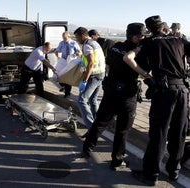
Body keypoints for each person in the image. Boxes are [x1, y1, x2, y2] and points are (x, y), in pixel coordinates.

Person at [124, 15, 190, 186]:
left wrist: (146, 75)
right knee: (179, 133)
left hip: (164, 92)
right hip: (183, 90)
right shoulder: (179, 39)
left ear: (149, 29)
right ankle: (173, 171)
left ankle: (151, 175)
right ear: (163, 26)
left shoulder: (150, 43)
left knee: (159, 134)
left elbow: (133, 61)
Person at [81, 23, 146, 171]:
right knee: (122, 129)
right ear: (135, 37)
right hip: (127, 94)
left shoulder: (115, 47)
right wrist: (147, 75)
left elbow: (108, 66)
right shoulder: (138, 50)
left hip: (111, 89)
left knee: (101, 122)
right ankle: (117, 161)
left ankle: (87, 148)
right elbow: (141, 69)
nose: (144, 39)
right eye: (142, 36)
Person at [74, 27, 105, 138]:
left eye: (77, 37)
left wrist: (85, 80)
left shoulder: (87, 45)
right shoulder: (94, 43)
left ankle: (92, 129)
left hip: (94, 76)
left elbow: (91, 63)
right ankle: (97, 126)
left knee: (82, 100)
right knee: (92, 100)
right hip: (101, 74)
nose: (76, 39)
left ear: (83, 35)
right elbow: (93, 60)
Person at [55, 31, 81, 98]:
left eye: (65, 38)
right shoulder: (61, 43)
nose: (64, 39)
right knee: (59, 75)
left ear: (69, 37)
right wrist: (58, 56)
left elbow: (80, 52)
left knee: (68, 78)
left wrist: (76, 54)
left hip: (71, 63)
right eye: (63, 38)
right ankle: (63, 85)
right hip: (63, 62)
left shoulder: (74, 43)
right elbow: (57, 51)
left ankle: (67, 93)